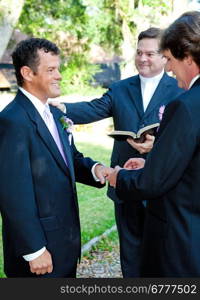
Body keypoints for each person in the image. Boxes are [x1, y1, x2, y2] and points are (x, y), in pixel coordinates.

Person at [51, 27, 183, 277]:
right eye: (139, 52)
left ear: (165, 56)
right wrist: (59, 108)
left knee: (163, 255)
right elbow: (93, 108)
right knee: (130, 255)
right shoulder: (121, 88)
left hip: (163, 185)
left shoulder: (180, 89)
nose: (143, 58)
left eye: (150, 54)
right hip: (124, 181)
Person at [0, 38, 112, 278]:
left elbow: (67, 159)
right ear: (27, 73)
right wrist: (34, 250)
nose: (59, 75)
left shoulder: (53, 113)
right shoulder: (12, 121)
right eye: (51, 70)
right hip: (39, 254)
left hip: (64, 243)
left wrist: (96, 169)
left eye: (58, 68)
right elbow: (12, 194)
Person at [107, 10, 200, 277]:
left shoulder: (185, 105)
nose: (169, 68)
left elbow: (152, 183)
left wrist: (119, 177)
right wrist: (152, 160)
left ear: (189, 56)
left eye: (169, 59)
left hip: (182, 239)